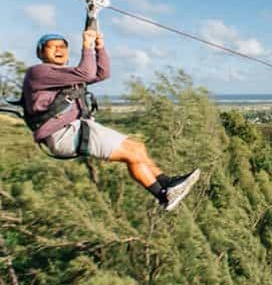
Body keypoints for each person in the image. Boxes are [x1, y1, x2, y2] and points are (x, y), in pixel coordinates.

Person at [22, 29, 200, 211]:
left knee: (137, 147)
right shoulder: (39, 72)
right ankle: (163, 195)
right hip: (64, 133)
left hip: (75, 128)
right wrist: (87, 46)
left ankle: (166, 182)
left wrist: (99, 47)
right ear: (41, 53)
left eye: (62, 47)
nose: (58, 50)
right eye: (52, 47)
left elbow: (101, 73)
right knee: (131, 155)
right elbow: (86, 73)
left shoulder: (64, 76)